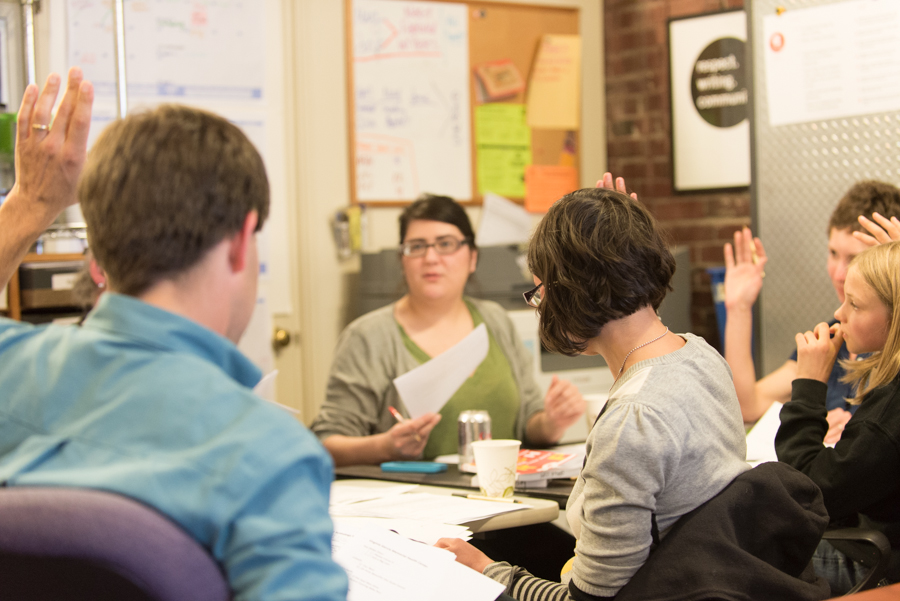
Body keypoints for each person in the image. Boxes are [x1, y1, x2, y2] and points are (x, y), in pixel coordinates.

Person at [0, 69, 348, 601]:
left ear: (102, 249)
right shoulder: (271, 455)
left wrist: (31, 202)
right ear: (240, 244)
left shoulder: (12, 369)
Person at [435, 184, 749, 600]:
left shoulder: (632, 421)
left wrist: (489, 572)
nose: (542, 306)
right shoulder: (701, 355)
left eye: (542, 292)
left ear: (574, 290)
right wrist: (611, 234)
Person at [311, 194, 585, 466]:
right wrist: (385, 446)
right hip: (414, 501)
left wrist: (551, 422)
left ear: (472, 258)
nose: (431, 257)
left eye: (446, 244)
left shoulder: (495, 320)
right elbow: (328, 443)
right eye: (416, 246)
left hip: (500, 494)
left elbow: (528, 423)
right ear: (402, 260)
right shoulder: (368, 337)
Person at [723, 181, 900, 439]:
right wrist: (738, 308)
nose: (839, 273)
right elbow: (747, 406)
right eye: (833, 253)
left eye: (854, 259)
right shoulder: (833, 335)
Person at [776, 241, 900, 594]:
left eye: (855, 304)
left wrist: (810, 384)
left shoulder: (889, 415)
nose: (839, 313)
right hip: (873, 536)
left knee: (741, 546)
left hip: (875, 560)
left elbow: (808, 492)